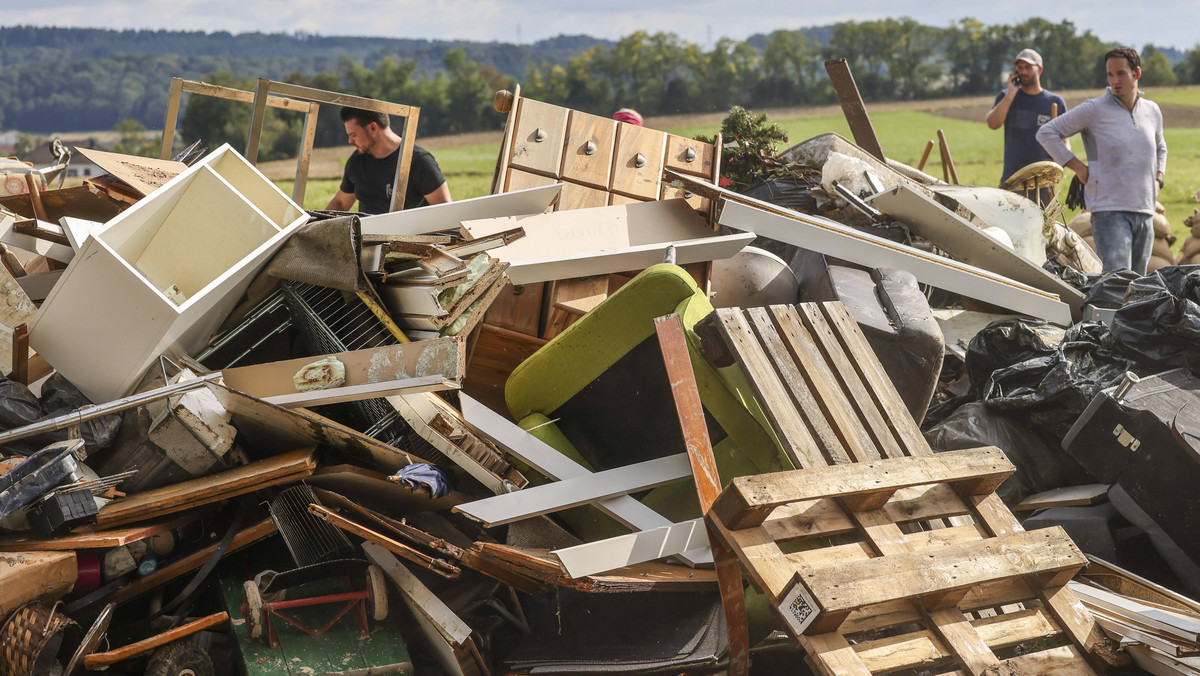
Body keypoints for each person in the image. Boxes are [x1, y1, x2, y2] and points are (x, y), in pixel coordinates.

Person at [1036, 46, 1167, 274]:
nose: (1114, 80)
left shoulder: (1152, 110)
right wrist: (1078, 168)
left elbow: (1160, 147)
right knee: (1118, 280)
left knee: (1141, 286)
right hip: (1109, 209)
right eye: (1110, 74)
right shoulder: (1094, 109)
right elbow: (1046, 133)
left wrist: (1158, 179)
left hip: (1145, 209)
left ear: (1136, 73)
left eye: (1121, 74)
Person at [325, 106, 451, 214]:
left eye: (353, 135)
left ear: (372, 128)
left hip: (409, 240)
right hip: (366, 240)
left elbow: (444, 212)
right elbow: (341, 203)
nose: (350, 141)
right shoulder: (356, 161)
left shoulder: (419, 162)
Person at [985, 48, 1068, 204]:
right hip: (1012, 180)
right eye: (1020, 68)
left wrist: (1060, 166)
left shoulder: (1055, 102)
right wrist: (1011, 93)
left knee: (1043, 226)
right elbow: (993, 124)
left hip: (1043, 183)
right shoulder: (1006, 96)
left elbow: (1064, 142)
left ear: (1040, 69)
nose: (1023, 71)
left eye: (1028, 67)